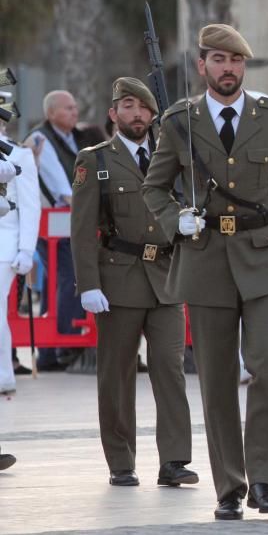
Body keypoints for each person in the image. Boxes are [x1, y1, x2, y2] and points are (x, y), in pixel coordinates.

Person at [143, 24, 268, 519]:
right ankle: (230, 486)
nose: (228, 69)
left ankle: (265, 479)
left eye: (236, 61)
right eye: (218, 60)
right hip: (207, 260)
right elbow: (154, 189)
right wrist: (177, 218)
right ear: (202, 67)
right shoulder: (180, 121)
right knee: (216, 379)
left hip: (264, 261)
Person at [70, 77, 196, 487]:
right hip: (118, 279)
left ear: (153, 114)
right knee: (117, 374)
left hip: (166, 278)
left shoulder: (172, 157)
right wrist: (88, 284)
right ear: (113, 114)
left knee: (170, 370)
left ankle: (174, 460)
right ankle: (121, 461)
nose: (136, 114)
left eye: (143, 108)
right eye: (127, 106)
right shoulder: (96, 160)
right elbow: (81, 228)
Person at [29, 90, 86, 369]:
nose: (75, 112)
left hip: (64, 222)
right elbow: (62, 188)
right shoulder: (42, 138)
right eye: (68, 108)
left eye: (75, 107)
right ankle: (66, 343)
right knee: (70, 277)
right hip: (56, 221)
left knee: (58, 279)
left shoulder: (71, 138)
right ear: (51, 113)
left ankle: (51, 351)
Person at [0, 90, 38, 395]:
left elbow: (29, 204)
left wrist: (26, 248)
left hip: (5, 241)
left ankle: (3, 375)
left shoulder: (18, 154)